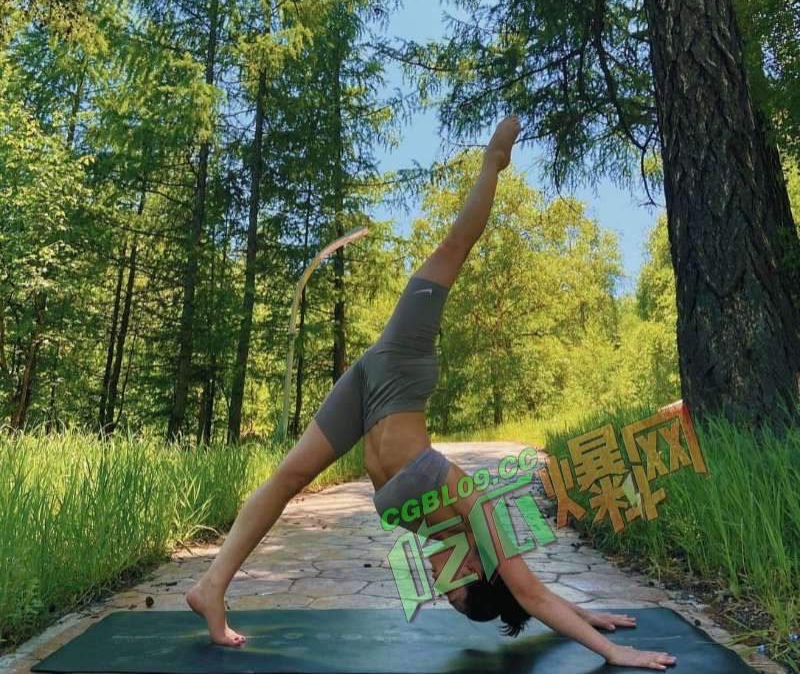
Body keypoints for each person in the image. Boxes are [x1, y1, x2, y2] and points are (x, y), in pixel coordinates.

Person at [188, 115, 676, 671]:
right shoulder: (478, 511)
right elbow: (531, 592)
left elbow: (527, 599)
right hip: (402, 366)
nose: (437, 575)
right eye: (452, 583)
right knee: (453, 249)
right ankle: (494, 162)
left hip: (367, 390)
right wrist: (613, 650)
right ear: (479, 563)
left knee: (289, 476)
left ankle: (211, 585)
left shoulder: (434, 529)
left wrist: (585, 616)